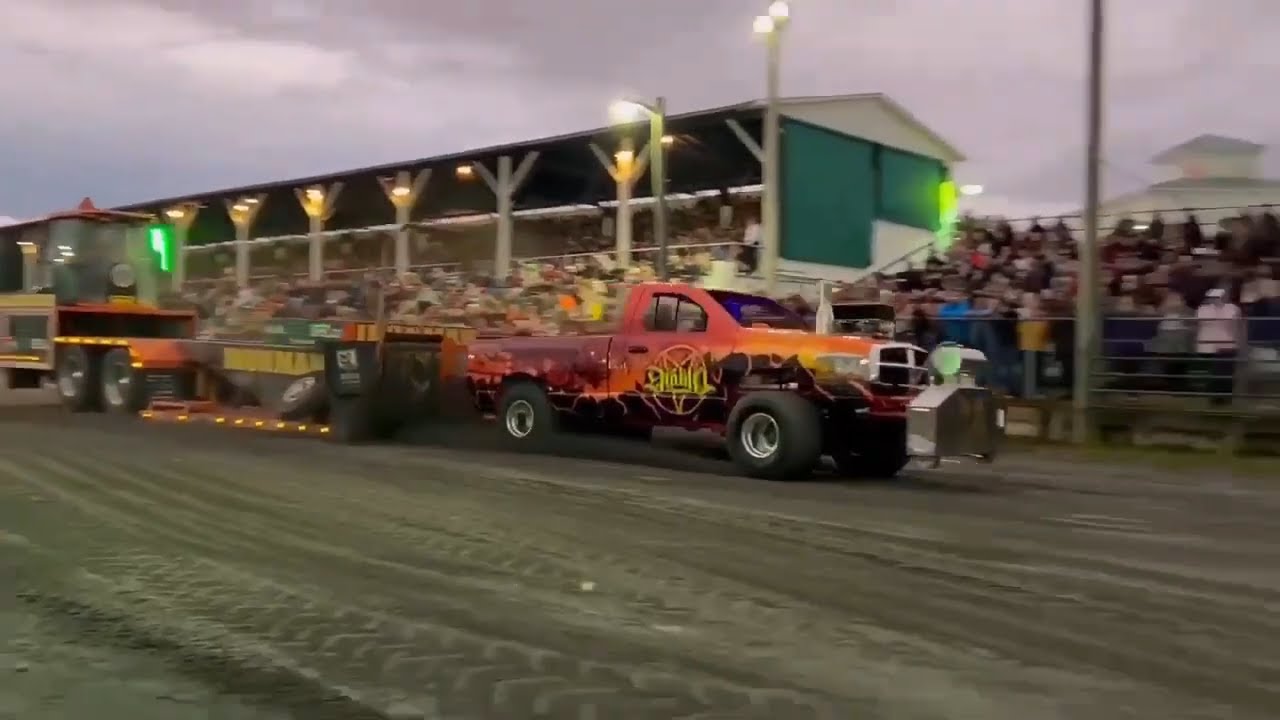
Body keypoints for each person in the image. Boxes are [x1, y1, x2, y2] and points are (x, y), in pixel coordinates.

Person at [1195, 287, 1241, 402]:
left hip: (1228, 343)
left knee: (1226, 371)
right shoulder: (1203, 309)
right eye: (1213, 298)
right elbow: (1203, 322)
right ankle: (1216, 397)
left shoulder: (1233, 308)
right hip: (1209, 345)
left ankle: (1226, 396)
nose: (1216, 300)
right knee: (1216, 371)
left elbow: (1235, 325)